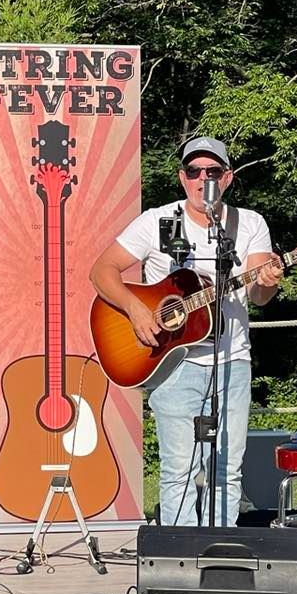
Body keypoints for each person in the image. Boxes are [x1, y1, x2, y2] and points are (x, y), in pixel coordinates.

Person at [89, 137, 283, 527]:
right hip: (173, 362)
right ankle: (179, 561)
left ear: (226, 178)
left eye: (212, 172)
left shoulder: (248, 224)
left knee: (226, 470)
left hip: (232, 361)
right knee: (179, 469)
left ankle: (223, 557)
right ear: (182, 178)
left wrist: (270, 278)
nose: (202, 179)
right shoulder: (160, 221)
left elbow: (260, 295)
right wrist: (137, 309)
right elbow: (101, 271)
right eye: (194, 171)